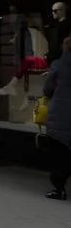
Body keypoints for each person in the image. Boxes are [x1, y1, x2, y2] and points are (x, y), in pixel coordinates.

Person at [43, 37, 71, 200]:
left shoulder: (58, 65)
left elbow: (48, 89)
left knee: (59, 155)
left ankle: (59, 189)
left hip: (60, 116)